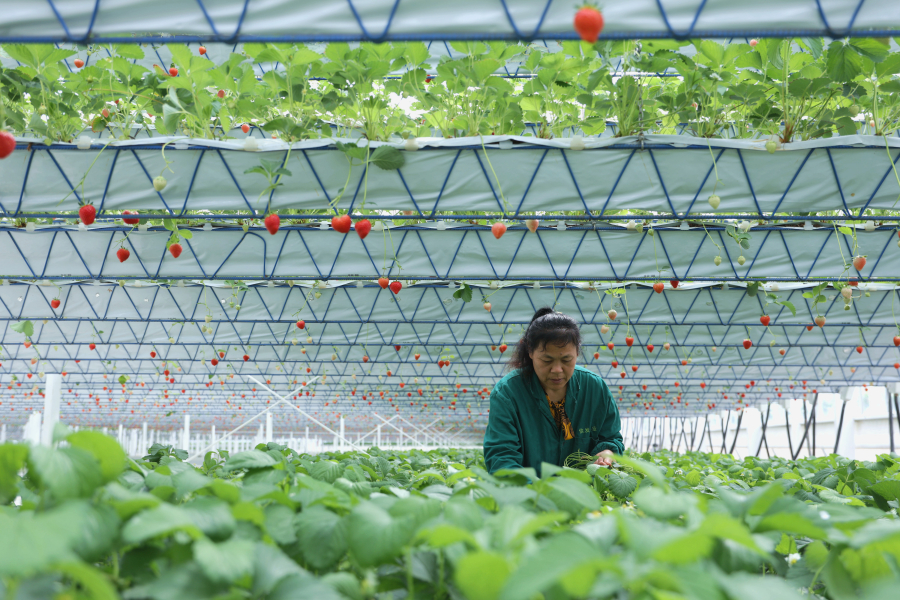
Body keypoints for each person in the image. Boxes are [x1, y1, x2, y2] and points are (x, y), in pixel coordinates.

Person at [483, 307, 624, 476]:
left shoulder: (595, 388)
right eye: (546, 360)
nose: (557, 369)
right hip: (528, 491)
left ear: (577, 353)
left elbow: (611, 437)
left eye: (566, 359)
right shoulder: (508, 393)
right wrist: (535, 490)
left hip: (583, 490)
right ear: (530, 352)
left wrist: (607, 452)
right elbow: (501, 457)